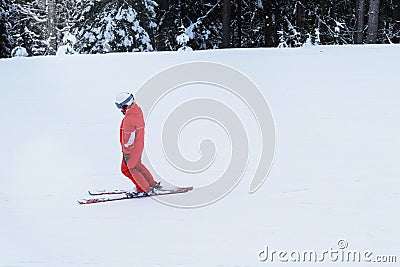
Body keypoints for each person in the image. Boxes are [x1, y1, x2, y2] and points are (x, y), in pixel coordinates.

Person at [115, 92, 161, 195]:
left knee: (128, 169)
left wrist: (126, 152)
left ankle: (143, 189)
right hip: (138, 146)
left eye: (122, 107)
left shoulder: (129, 119)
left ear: (127, 104)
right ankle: (151, 184)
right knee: (137, 165)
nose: (121, 110)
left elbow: (128, 140)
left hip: (131, 150)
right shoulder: (137, 111)